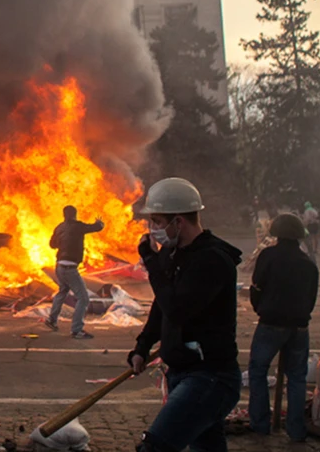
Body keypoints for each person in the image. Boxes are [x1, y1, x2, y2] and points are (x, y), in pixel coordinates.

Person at [128, 178, 242, 452]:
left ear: (178, 222)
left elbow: (178, 310)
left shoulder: (211, 260)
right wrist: (143, 345)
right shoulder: (174, 254)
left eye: (156, 221)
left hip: (209, 377)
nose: (153, 229)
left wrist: (152, 263)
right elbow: (163, 305)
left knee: (155, 446)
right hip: (181, 371)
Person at [248, 213, 318, 442]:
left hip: (271, 323)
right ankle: (296, 431)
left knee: (258, 372)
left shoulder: (268, 255)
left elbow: (256, 286)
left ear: (276, 234)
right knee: (296, 378)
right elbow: (311, 299)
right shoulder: (308, 263)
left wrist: (261, 308)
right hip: (299, 326)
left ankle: (260, 424)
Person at [44, 205, 104, 339]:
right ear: (75, 214)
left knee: (62, 291)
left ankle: (52, 320)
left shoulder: (59, 227)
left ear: (64, 215)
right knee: (83, 298)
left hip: (59, 267)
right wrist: (100, 223)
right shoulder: (78, 226)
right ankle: (77, 330)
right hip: (70, 268)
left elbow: (52, 245)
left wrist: (63, 242)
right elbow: (95, 227)